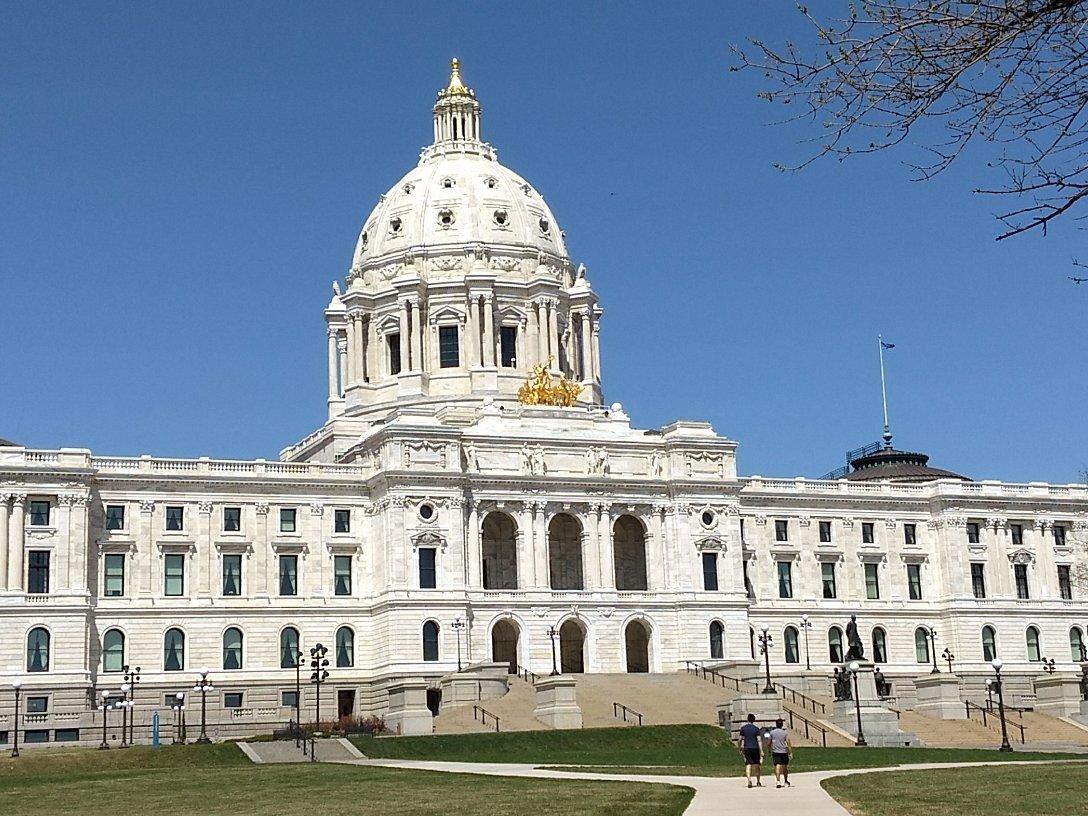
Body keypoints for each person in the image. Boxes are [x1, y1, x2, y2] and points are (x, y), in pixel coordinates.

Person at [737, 713, 764, 788]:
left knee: (748, 765)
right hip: (755, 748)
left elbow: (739, 739)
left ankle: (749, 780)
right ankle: (758, 781)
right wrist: (761, 750)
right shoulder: (756, 729)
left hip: (747, 748)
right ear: (754, 720)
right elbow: (759, 740)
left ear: (747, 719)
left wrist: (739, 747)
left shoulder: (743, 728)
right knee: (757, 765)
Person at [768, 718, 793, 788]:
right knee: (785, 767)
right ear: (782, 725)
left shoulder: (772, 732)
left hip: (775, 751)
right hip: (783, 751)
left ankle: (778, 781)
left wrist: (769, 749)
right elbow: (788, 742)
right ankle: (785, 781)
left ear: (776, 724)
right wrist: (790, 752)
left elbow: (769, 742)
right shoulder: (785, 733)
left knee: (777, 766)